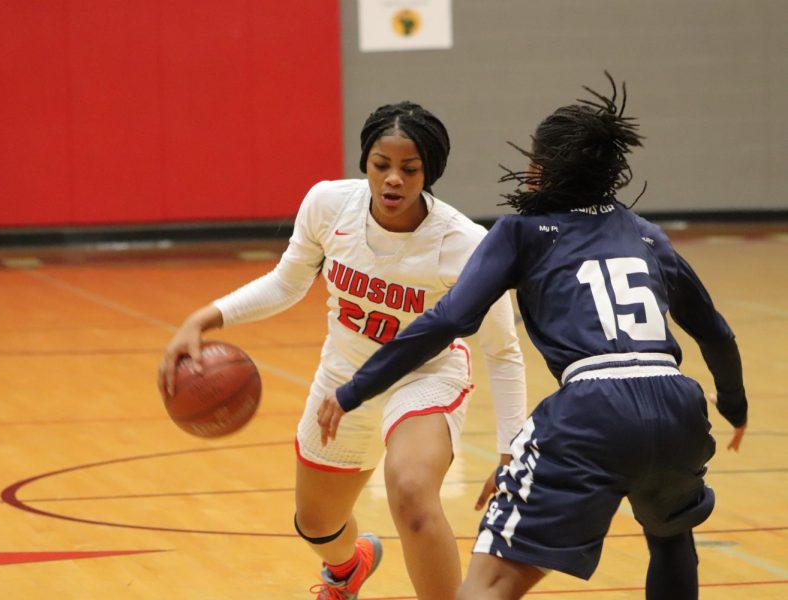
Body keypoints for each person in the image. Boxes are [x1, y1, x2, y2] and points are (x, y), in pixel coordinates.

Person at [318, 74, 748, 600]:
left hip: (593, 407)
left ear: (543, 168)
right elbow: (716, 333)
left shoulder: (522, 232)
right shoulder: (646, 233)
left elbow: (448, 320)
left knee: (490, 584)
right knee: (671, 536)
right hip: (677, 402)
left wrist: (356, 388)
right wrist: (733, 403)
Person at [157, 101, 528, 599]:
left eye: (409, 169)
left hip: (425, 379)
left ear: (429, 172)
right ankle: (348, 568)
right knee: (316, 523)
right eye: (381, 165)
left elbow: (503, 351)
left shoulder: (464, 244)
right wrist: (202, 318)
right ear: (365, 162)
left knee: (413, 493)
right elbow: (286, 284)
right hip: (343, 379)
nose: (393, 179)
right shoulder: (329, 206)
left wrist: (511, 451)